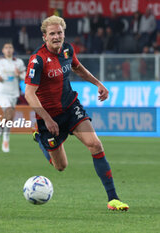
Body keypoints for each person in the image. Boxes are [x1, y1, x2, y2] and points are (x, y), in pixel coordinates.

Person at [24, 15, 129, 211]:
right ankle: (39, 138)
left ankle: (113, 198)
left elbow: (78, 68)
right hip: (49, 117)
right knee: (61, 166)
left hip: (71, 107)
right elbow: (29, 93)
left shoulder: (67, 50)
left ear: (64, 34)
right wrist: (47, 119)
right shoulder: (37, 60)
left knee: (95, 145)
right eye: (52, 34)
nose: (57, 37)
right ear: (44, 37)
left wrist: (98, 83)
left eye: (60, 33)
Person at [0, 42, 26, 153]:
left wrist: (19, 74)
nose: (8, 50)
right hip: (2, 93)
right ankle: (3, 138)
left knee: (10, 117)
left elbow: (26, 76)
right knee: (8, 112)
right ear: (3, 50)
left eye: (10, 48)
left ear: (13, 50)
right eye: (6, 48)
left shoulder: (19, 62)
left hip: (14, 93)